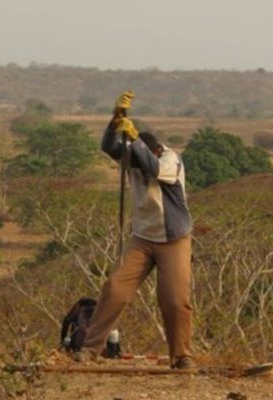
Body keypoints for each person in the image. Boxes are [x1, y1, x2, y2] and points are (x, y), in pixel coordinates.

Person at [74, 91, 196, 370]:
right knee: (115, 290)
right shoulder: (136, 156)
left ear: (154, 150)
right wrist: (115, 121)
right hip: (142, 238)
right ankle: (90, 349)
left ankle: (181, 356)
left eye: (139, 158)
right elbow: (109, 147)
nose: (134, 168)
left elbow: (152, 169)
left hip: (173, 239)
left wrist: (134, 137)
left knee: (175, 300)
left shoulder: (170, 161)